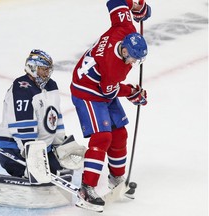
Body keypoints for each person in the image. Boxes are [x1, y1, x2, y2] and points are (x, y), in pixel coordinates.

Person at [70, 0, 151, 212]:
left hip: (101, 85)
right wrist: (132, 92)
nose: (133, 62)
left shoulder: (126, 28)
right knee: (103, 136)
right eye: (132, 58)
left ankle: (116, 178)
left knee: (120, 134)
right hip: (87, 90)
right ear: (124, 51)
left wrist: (138, 5)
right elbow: (110, 91)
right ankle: (87, 189)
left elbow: (115, 1)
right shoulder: (114, 67)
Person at [0, 49, 69, 178]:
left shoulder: (51, 86)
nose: (46, 74)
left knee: (59, 173)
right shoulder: (21, 87)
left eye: (48, 70)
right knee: (35, 177)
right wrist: (33, 157)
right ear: (32, 68)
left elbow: (55, 117)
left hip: (43, 149)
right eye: (43, 69)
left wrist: (59, 144)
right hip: (14, 148)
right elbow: (23, 126)